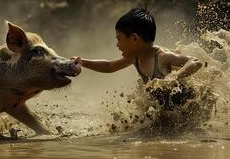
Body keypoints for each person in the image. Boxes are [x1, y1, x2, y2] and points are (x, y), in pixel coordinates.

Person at [73, 8, 203, 109]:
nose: (117, 44)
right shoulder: (134, 58)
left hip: (188, 107)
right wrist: (83, 62)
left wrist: (175, 77)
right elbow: (109, 66)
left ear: (134, 38)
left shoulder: (162, 57)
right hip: (167, 107)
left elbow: (195, 61)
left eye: (119, 39)